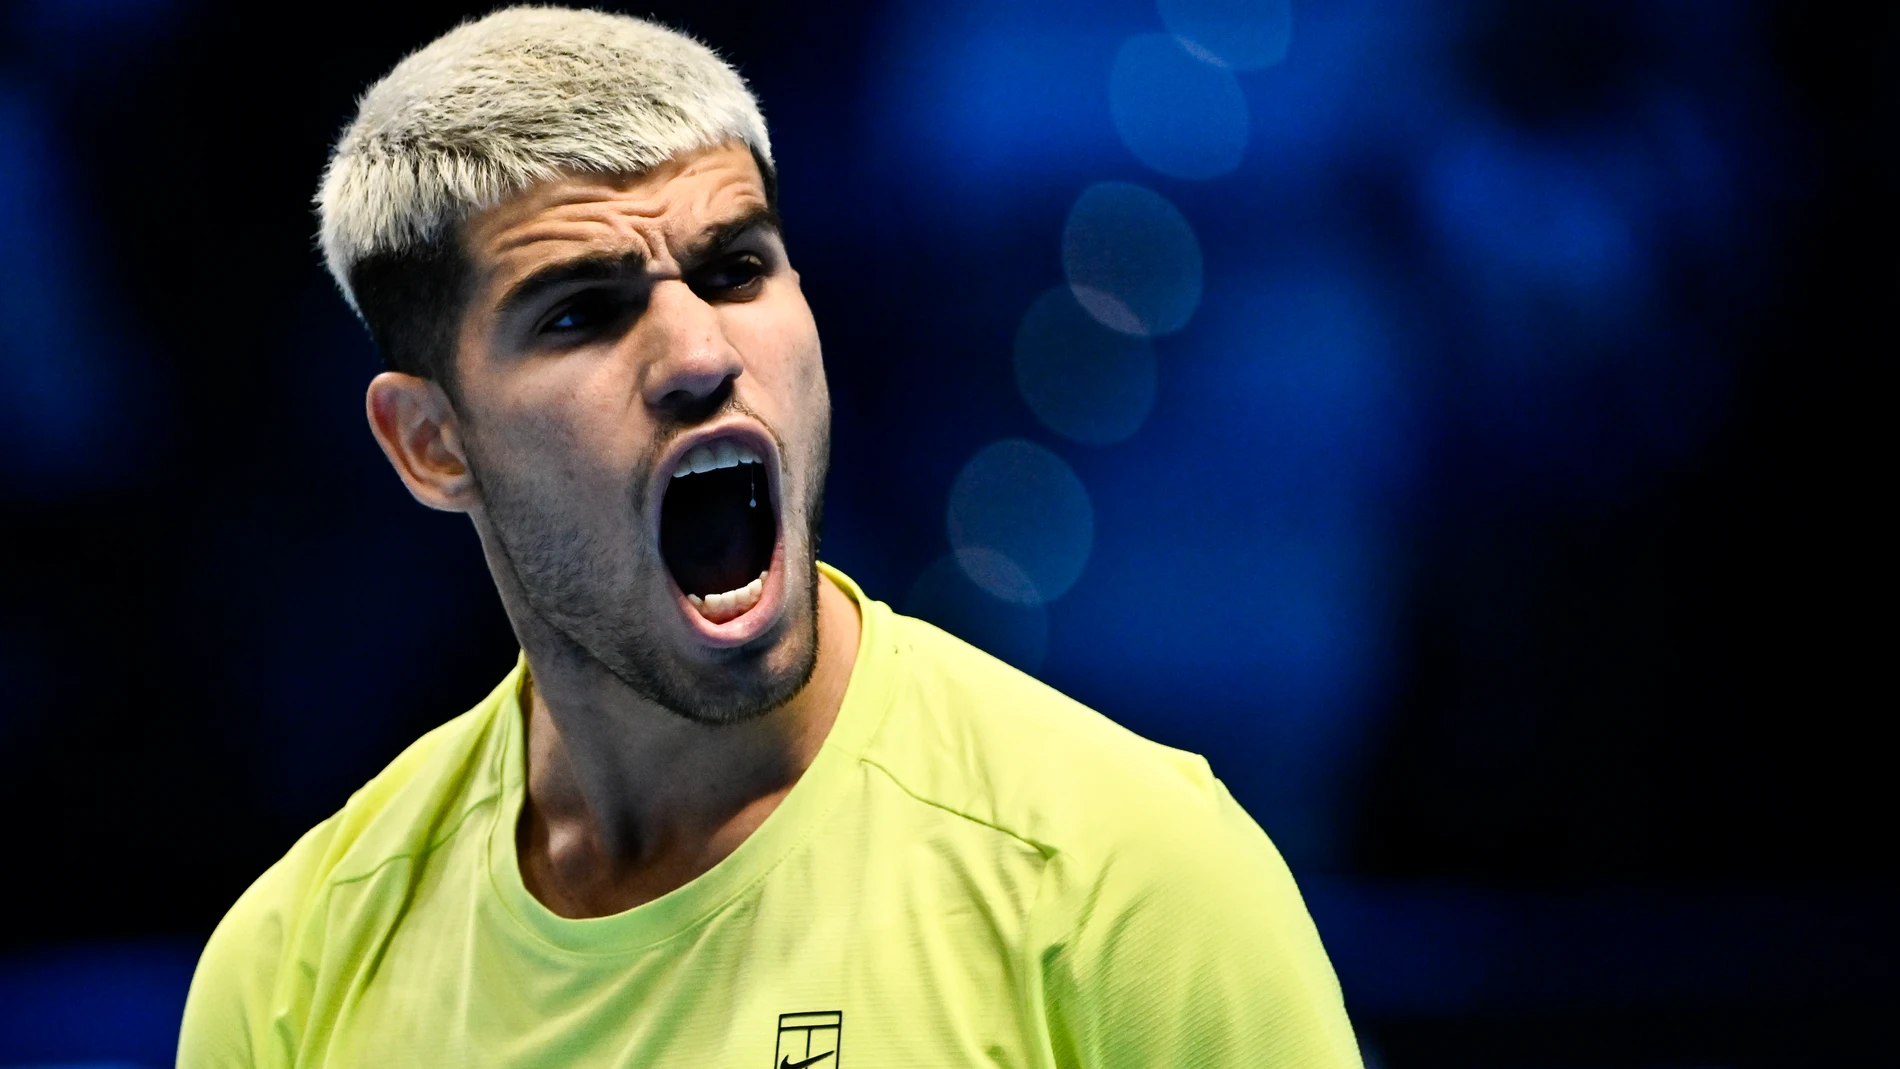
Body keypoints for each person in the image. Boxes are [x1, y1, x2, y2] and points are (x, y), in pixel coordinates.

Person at [177, 8, 1362, 1067]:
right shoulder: (296, 969)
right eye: (582, 311)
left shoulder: (1127, 876)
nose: (700, 355)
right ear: (432, 443)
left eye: (736, 267)